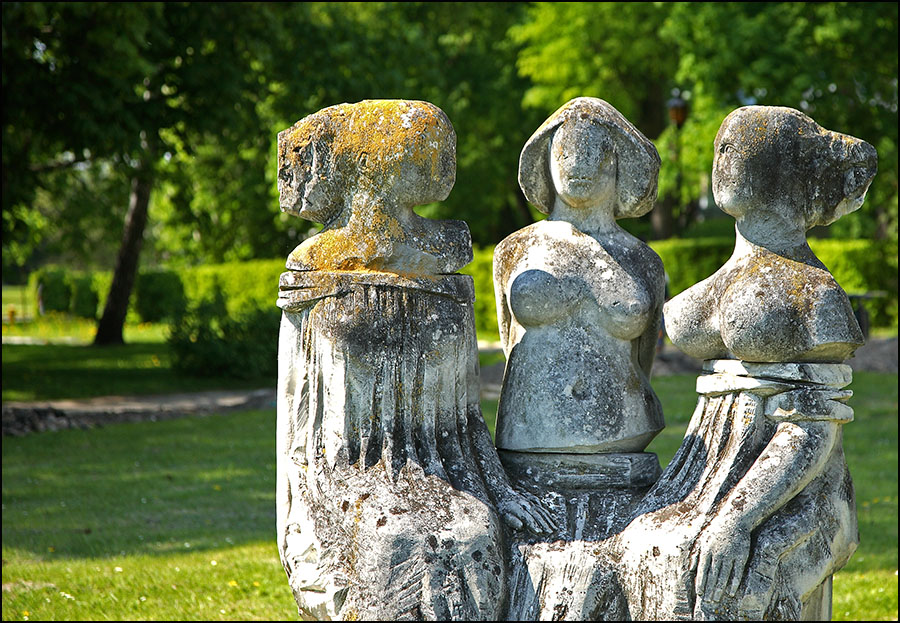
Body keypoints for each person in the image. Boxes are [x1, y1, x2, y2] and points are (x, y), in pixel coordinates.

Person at [275, 100, 553, 621]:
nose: (444, 163)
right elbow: (300, 414)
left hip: (443, 469)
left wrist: (498, 488)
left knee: (472, 530)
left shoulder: (447, 255)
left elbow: (465, 414)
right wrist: (300, 493)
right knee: (396, 538)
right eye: (424, 147)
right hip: (350, 473)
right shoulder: (315, 269)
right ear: (373, 161)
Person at [616, 106, 877, 620]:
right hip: (705, 473)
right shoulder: (718, 285)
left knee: (717, 575)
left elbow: (811, 430)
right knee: (639, 546)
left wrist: (738, 518)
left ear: (789, 169)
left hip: (790, 490)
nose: (724, 155)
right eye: (722, 145)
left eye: (743, 145)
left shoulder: (814, 294)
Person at [493, 97, 666, 456]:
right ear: (547, 159)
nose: (578, 165)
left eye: (593, 154)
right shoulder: (514, 250)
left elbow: (644, 357)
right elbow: (509, 340)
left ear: (617, 162)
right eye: (566, 153)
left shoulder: (642, 261)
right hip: (530, 431)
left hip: (626, 428)